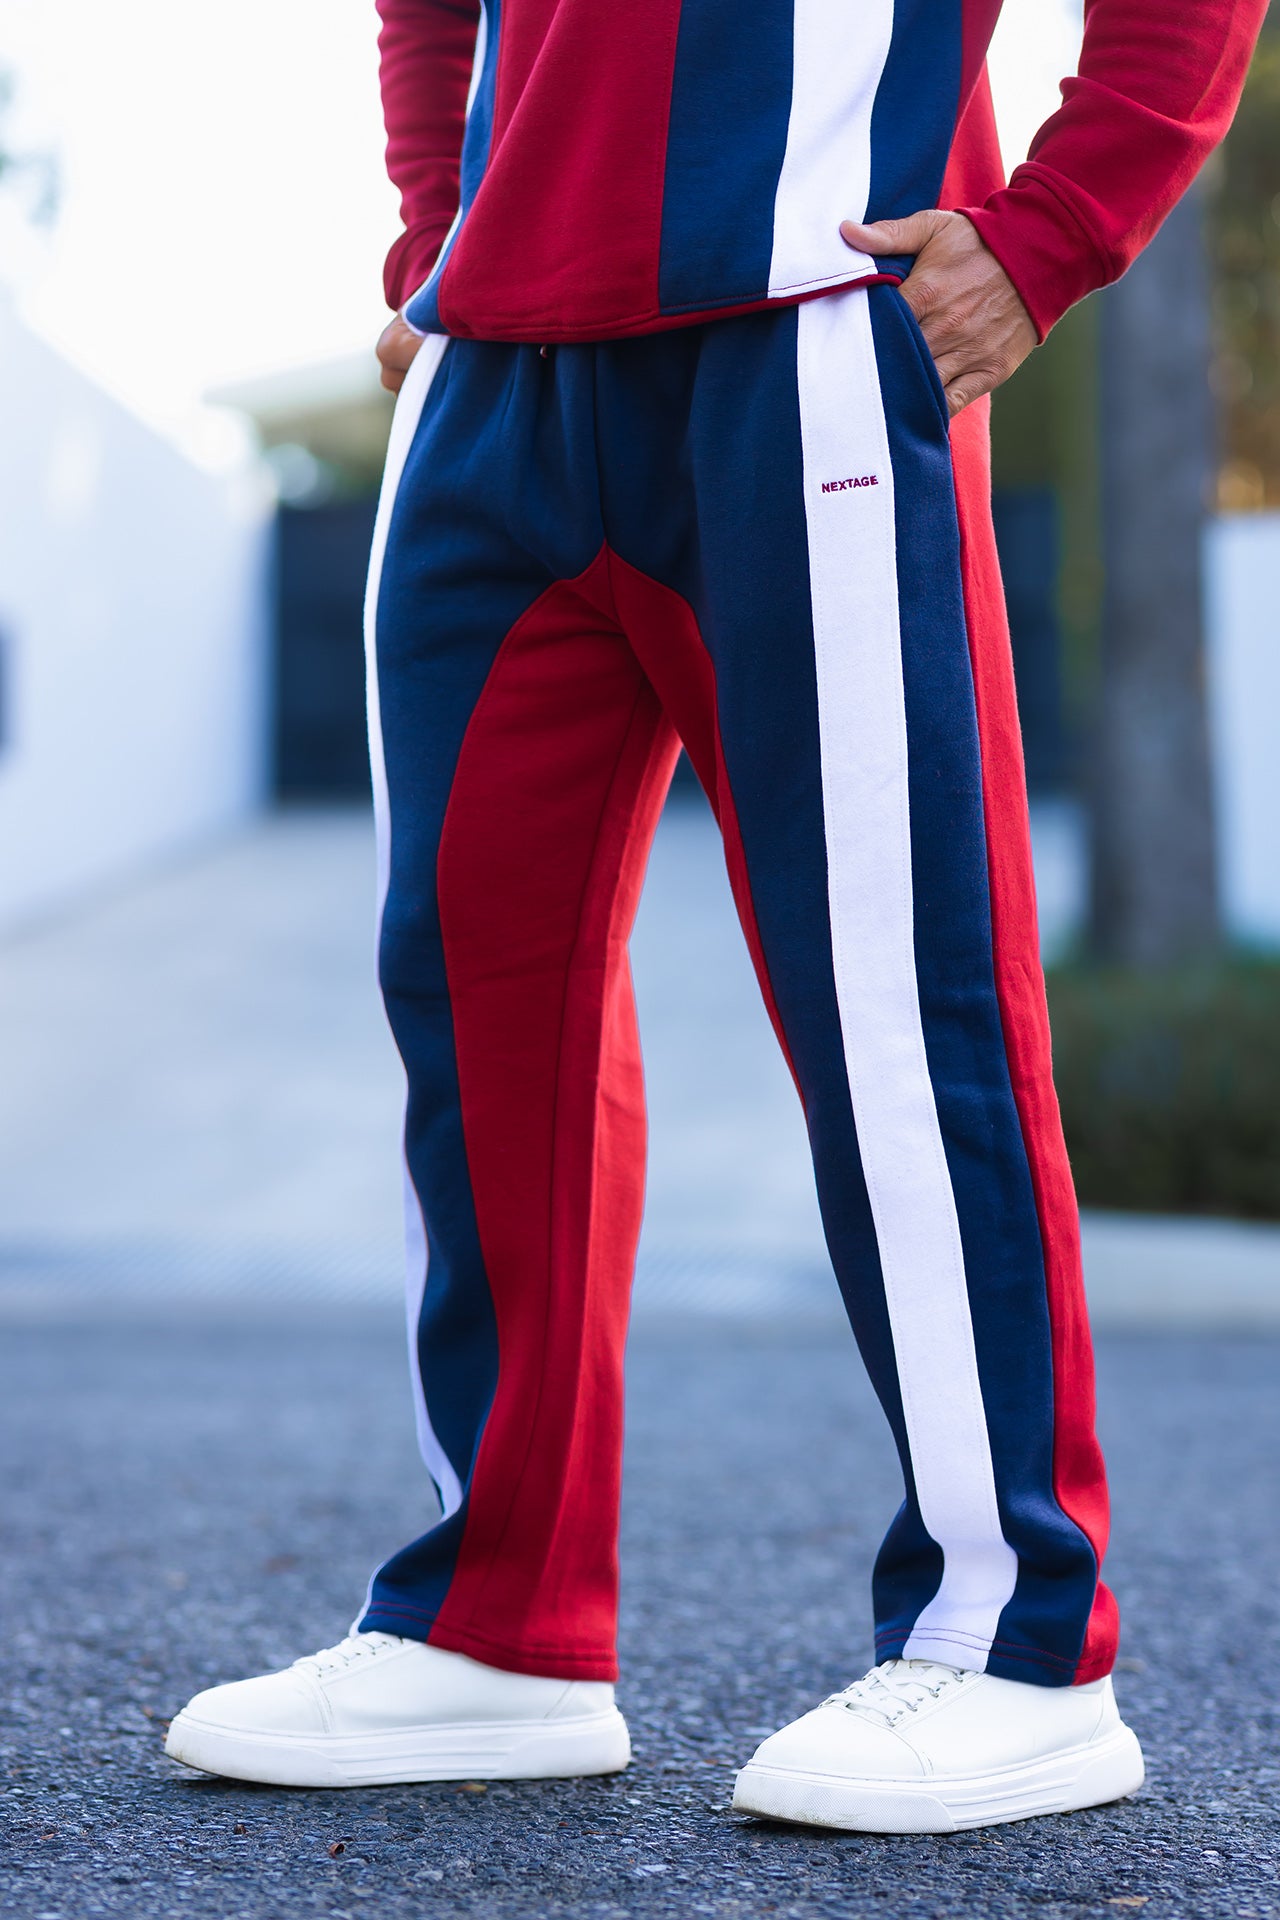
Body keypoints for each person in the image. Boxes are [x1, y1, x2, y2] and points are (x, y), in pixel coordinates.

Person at [165, 0, 1263, 1831]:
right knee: (478, 1011)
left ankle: (1017, 1642)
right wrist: (439, 239)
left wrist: (1056, 226)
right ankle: (497, 1631)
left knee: (899, 1010)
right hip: (491, 388)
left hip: (813, 342)